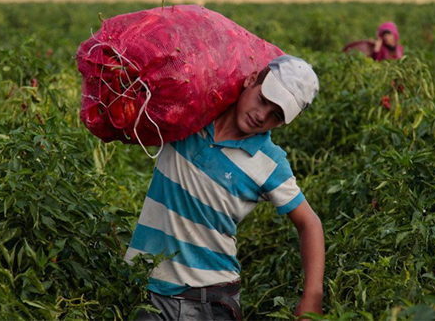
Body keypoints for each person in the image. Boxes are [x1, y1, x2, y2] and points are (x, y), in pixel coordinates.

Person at [125, 55, 326, 321]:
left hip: (207, 302)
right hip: (143, 287)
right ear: (252, 79)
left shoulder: (269, 163)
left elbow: (309, 223)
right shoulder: (193, 114)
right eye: (263, 100)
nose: (261, 115)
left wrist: (312, 295)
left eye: (275, 115)